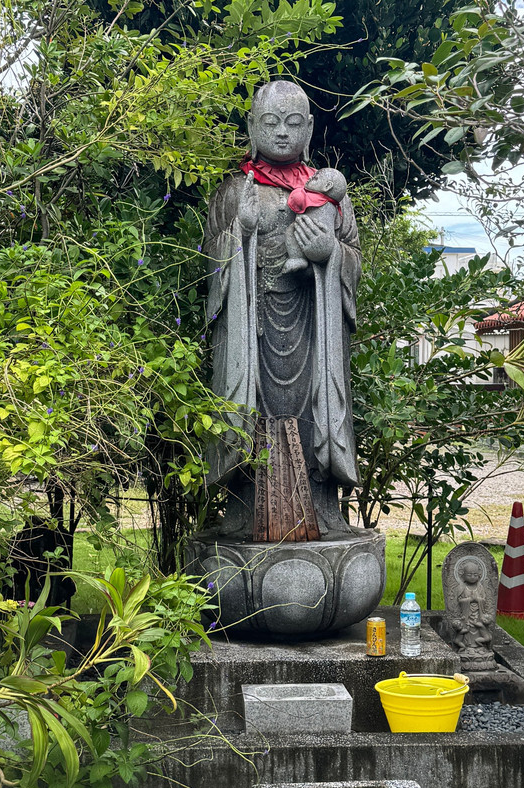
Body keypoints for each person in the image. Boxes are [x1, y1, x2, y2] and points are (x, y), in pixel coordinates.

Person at [204, 81, 361, 540]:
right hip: (250, 332)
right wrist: (241, 233)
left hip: (315, 329)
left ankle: (321, 510)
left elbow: (352, 257)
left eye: (293, 124)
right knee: (248, 413)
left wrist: (331, 253)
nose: (281, 134)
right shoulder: (234, 190)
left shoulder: (329, 192)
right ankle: (245, 511)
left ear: (309, 129)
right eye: (269, 123)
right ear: (252, 126)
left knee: (315, 409)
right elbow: (211, 263)